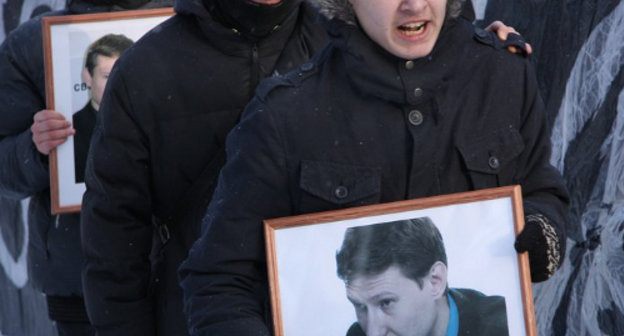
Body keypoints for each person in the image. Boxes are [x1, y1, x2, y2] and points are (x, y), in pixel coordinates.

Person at [78, 0, 527, 335]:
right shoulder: (146, 70)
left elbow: (434, 90)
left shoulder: (352, 34)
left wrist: (479, 52)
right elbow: (114, 235)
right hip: (201, 320)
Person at [0, 1, 169, 335]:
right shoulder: (33, 45)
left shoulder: (190, 26)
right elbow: (5, 173)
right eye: (109, 75)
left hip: (184, 268)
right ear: (87, 76)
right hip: (80, 282)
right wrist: (36, 148)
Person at [336, 218, 508, 336]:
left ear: (435, 281)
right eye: (360, 306)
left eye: (386, 302)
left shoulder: (504, 325)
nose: (372, 332)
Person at [73, 34, 133, 183]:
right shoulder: (71, 132)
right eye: (107, 76)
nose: (116, 84)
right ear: (87, 76)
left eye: (123, 75)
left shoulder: (152, 125)